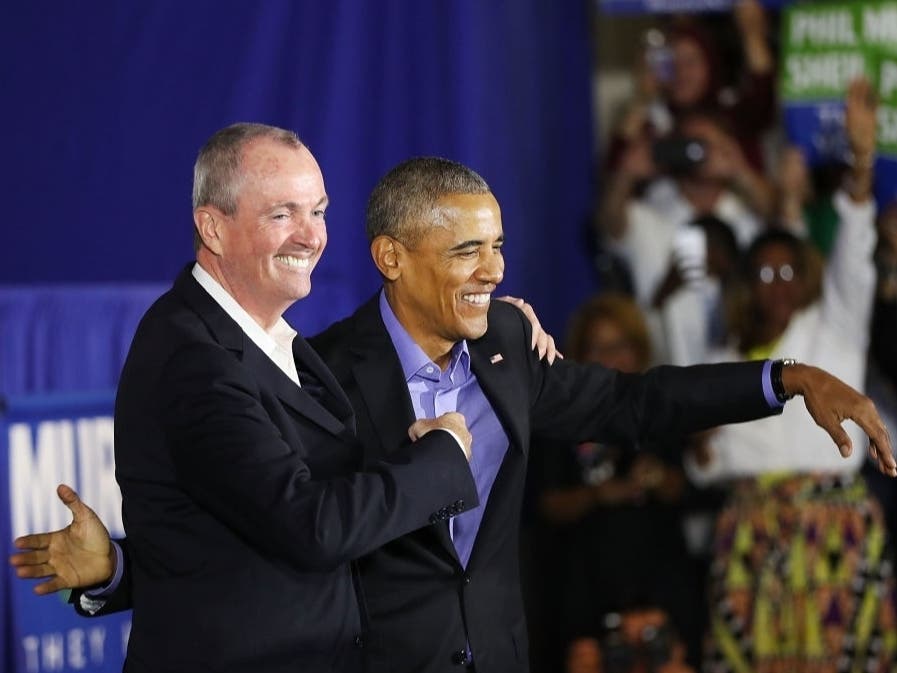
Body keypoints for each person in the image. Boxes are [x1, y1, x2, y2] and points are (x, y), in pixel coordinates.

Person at [11, 156, 896, 673]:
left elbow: (633, 402)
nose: (493, 269)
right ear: (392, 257)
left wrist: (781, 378)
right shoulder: (320, 374)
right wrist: (120, 568)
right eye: (466, 248)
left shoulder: (508, 343)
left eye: (498, 245)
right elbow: (281, 531)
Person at [10, 122, 487, 673]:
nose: (311, 236)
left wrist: (119, 568)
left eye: (319, 212)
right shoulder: (193, 359)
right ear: (213, 228)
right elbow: (309, 526)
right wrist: (443, 456)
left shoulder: (267, 339)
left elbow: (229, 536)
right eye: (282, 215)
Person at [683, 79, 897, 672]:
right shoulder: (724, 357)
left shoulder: (833, 329)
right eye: (764, 275)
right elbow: (706, 465)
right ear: (746, 285)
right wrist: (700, 447)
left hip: (834, 528)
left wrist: (860, 160)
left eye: (787, 273)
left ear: (806, 278)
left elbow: (854, 244)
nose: (776, 286)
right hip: (750, 531)